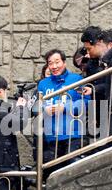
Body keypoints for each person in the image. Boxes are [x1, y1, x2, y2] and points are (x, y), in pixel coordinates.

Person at [37, 49, 89, 180]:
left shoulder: (76, 79)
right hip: (51, 137)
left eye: (57, 62)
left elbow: (86, 103)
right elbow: (34, 106)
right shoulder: (43, 84)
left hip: (74, 134)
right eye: (50, 63)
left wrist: (64, 108)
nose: (54, 66)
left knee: (73, 173)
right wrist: (43, 109)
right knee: (53, 175)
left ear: (64, 62)